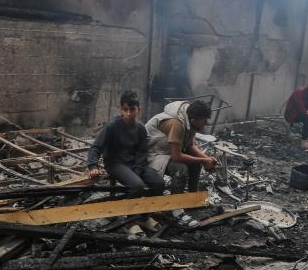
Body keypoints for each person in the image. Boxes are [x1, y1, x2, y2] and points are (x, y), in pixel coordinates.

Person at [145, 99, 218, 228]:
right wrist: (204, 160)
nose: (206, 123)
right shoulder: (177, 124)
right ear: (194, 120)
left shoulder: (189, 119)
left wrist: (207, 159)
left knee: (195, 163)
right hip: (154, 153)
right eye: (204, 120)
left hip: (167, 150)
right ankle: (176, 210)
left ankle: (192, 200)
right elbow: (177, 156)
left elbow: (190, 145)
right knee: (181, 169)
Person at [86, 90, 163, 198]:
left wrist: (137, 171)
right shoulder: (112, 126)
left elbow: (142, 153)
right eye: (125, 110)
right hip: (115, 163)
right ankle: (132, 214)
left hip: (134, 163)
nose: (128, 114)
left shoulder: (140, 128)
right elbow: (96, 147)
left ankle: (145, 211)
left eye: (132, 110)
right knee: (137, 185)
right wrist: (93, 166)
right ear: (121, 110)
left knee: (159, 183)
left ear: (138, 109)